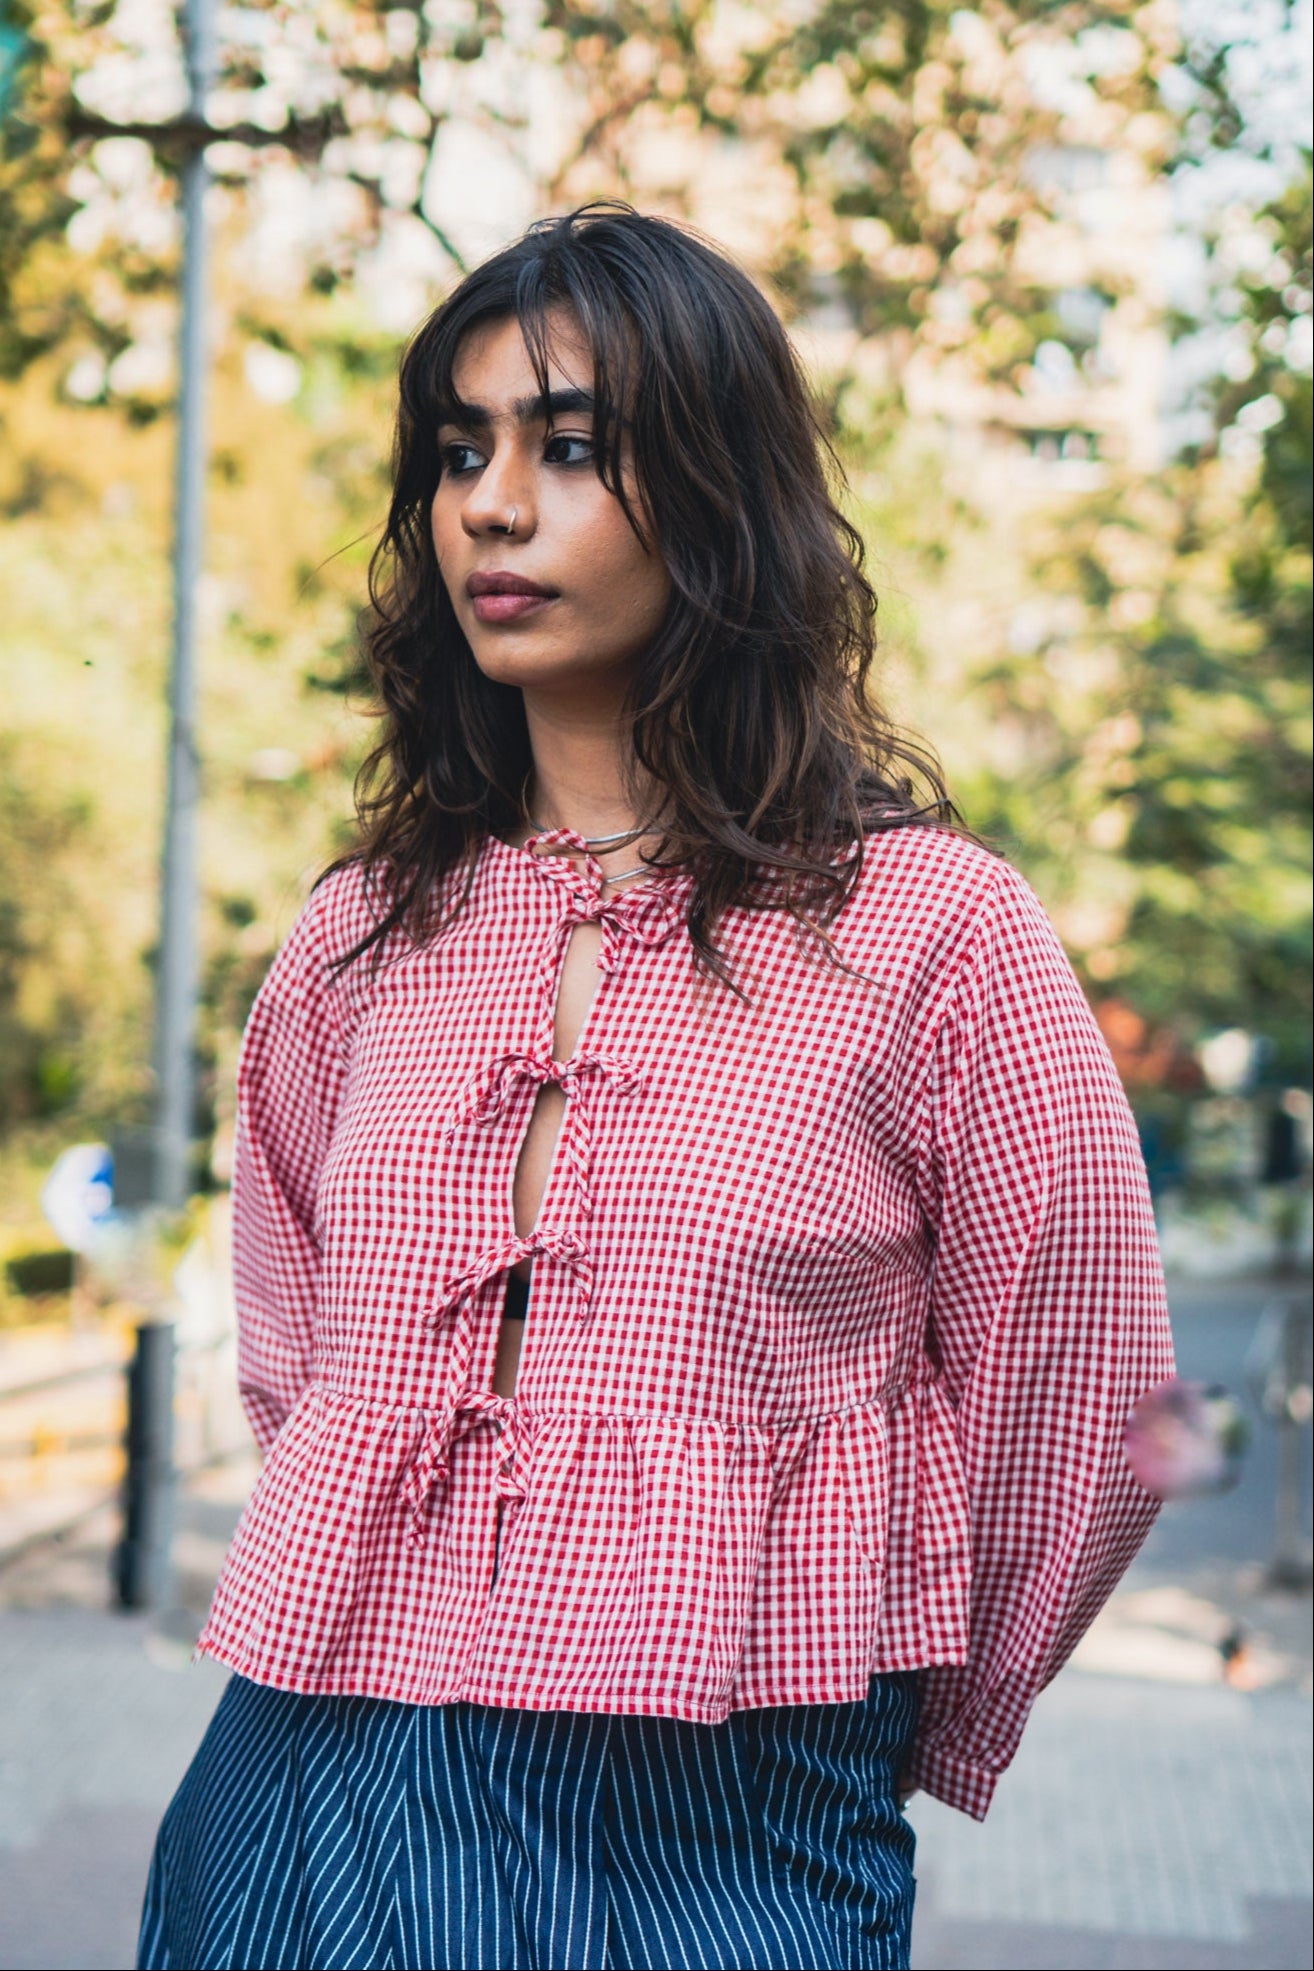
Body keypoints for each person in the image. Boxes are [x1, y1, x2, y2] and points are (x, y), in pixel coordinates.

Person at [138, 204, 1174, 1971]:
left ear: (713, 493)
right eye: (460, 451)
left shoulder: (930, 933)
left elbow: (1083, 1393)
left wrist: (898, 1720)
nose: (489, 503)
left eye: (572, 449)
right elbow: (298, 1353)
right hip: (305, 1796)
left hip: (733, 1819)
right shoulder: (357, 940)